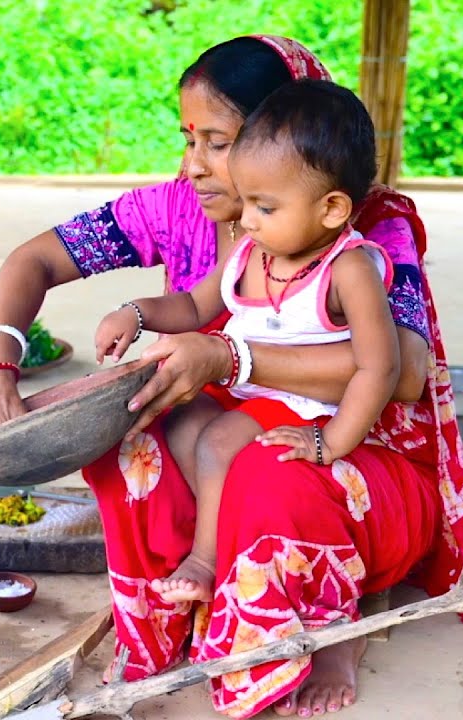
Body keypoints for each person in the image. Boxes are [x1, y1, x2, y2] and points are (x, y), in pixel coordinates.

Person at [0, 35, 463, 719]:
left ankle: (328, 625)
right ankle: (180, 605)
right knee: (135, 432)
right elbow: (34, 261)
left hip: (351, 452)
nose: (193, 164)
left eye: (218, 142)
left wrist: (232, 358)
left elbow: (401, 374)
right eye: (189, 138)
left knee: (264, 467)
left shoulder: (366, 234)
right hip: (243, 424)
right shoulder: (179, 209)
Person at [94, 79, 400, 608]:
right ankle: (228, 533)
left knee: (216, 444)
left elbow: (381, 368)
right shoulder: (251, 251)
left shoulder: (349, 268)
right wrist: (137, 312)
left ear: (330, 209)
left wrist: (331, 443)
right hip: (246, 390)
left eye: (265, 206)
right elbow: (193, 307)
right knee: (179, 423)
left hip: (304, 404)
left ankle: (207, 560)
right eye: (248, 202)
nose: (248, 219)